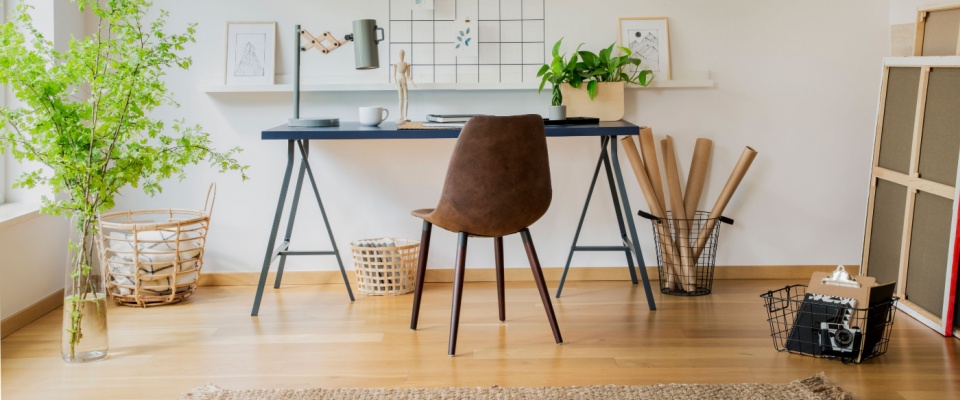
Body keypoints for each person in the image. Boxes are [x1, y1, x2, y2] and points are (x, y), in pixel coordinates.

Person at [393, 49, 415, 123]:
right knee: (400, 99)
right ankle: (400, 116)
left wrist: (412, 82)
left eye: (403, 54)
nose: (401, 55)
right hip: (399, 80)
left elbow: (408, 76)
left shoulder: (407, 64)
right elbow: (394, 76)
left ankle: (405, 116)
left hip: (404, 80)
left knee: (406, 98)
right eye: (400, 54)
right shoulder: (396, 64)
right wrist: (395, 84)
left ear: (404, 55)